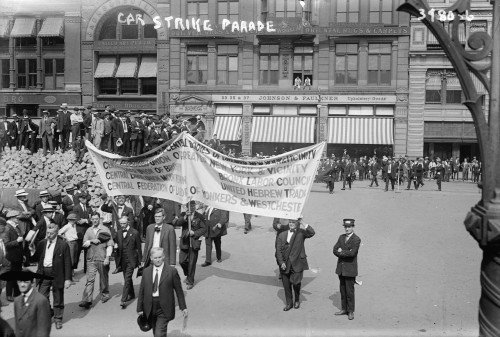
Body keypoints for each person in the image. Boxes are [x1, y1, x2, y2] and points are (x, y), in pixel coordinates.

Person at [137, 247, 188, 337]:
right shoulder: (146, 272)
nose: (158, 260)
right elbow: (142, 290)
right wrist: (139, 308)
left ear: (163, 256)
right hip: (150, 307)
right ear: (151, 258)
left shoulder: (172, 271)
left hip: (164, 307)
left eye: (160, 257)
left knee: (159, 333)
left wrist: (183, 307)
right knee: (155, 331)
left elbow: (179, 291)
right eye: (155, 258)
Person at [34, 222, 72, 330]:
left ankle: (58, 319)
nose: (48, 235)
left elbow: (67, 262)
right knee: (42, 297)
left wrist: (68, 279)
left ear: (56, 233)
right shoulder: (42, 243)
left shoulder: (63, 244)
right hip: (43, 273)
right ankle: (49, 312)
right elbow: (36, 257)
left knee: (58, 297)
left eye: (51, 233)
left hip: (57, 273)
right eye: (47, 232)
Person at [275, 217, 315, 311]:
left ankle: (297, 299)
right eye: (290, 222)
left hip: (297, 263)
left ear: (297, 223)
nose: (291, 224)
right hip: (285, 264)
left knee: (296, 283)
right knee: (286, 285)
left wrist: (303, 222)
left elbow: (312, 233)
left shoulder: (300, 233)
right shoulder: (282, 235)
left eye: (293, 222)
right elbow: (278, 251)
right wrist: (281, 263)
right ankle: (289, 303)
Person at [0, 270, 52, 337]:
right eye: (20, 281)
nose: (22, 285)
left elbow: (44, 329)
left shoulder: (41, 300)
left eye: (25, 282)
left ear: (32, 283)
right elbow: (18, 326)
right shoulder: (17, 300)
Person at [79, 212, 114, 309]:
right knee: (90, 279)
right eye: (93, 219)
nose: (95, 220)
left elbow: (110, 244)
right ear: (91, 220)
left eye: (96, 219)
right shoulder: (88, 230)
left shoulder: (105, 229)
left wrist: (107, 257)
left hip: (102, 258)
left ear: (100, 219)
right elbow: (84, 243)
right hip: (91, 258)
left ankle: (105, 294)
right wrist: (91, 241)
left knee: (103, 278)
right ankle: (87, 300)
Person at [173, 201, 206, 290]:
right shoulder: (183, 214)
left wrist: (194, 233)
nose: (192, 207)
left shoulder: (199, 216)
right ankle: (188, 274)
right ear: (186, 207)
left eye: (193, 205)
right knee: (181, 261)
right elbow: (177, 223)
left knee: (192, 263)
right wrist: (184, 217)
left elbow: (204, 229)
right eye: (190, 206)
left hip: (194, 242)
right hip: (184, 242)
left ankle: (190, 281)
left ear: (195, 206)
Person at [333, 219, 361, 320]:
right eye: (345, 227)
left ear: (353, 227)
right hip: (341, 269)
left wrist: (342, 252)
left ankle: (351, 311)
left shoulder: (356, 239)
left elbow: (352, 253)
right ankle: (344, 309)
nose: (347, 229)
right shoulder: (341, 237)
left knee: (349, 291)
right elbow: (335, 250)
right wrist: (345, 252)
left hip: (350, 270)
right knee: (342, 290)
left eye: (349, 227)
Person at [116, 216, 142, 309]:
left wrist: (140, 261)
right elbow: (117, 244)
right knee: (127, 277)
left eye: (124, 223)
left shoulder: (135, 232)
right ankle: (132, 293)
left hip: (131, 259)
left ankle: (123, 300)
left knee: (127, 278)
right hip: (122, 260)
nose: (122, 225)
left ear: (128, 223)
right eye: (121, 223)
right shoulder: (118, 233)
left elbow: (139, 248)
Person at [4, 210, 25, 301]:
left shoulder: (15, 227)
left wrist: (22, 254)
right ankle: (9, 295)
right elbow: (6, 244)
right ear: (12, 218)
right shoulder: (7, 228)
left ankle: (17, 293)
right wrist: (17, 241)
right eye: (16, 217)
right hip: (11, 257)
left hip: (17, 256)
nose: (18, 219)